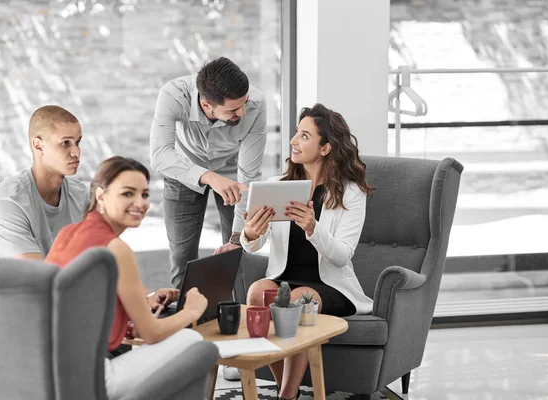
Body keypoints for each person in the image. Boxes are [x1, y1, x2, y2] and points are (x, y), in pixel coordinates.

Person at [241, 104, 375, 400]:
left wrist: (314, 229)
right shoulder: (279, 186)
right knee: (256, 293)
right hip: (285, 278)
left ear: (325, 147)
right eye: (295, 134)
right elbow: (257, 243)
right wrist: (250, 233)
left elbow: (342, 255)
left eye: (304, 136)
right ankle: (286, 388)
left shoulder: (351, 193)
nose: (293, 142)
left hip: (331, 286)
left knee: (299, 299)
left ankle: (286, 396)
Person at [46, 156, 208, 400]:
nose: (139, 203)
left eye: (144, 194)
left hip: (49, 375)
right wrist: (192, 311)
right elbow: (151, 333)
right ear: (101, 196)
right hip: (88, 381)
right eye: (127, 194)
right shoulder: (116, 248)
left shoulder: (68, 233)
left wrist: (128, 321)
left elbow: (77, 306)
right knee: (193, 340)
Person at [150, 56, 268, 289]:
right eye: (234, 109)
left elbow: (249, 176)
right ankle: (183, 318)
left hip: (233, 171)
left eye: (243, 104)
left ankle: (231, 314)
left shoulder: (256, 103)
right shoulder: (173, 94)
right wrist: (209, 177)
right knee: (182, 257)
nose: (243, 113)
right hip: (182, 169)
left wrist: (237, 238)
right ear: (206, 105)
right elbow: (160, 155)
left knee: (236, 254)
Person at [0, 105, 88, 260]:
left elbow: (103, 253)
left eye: (77, 142)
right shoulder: (8, 203)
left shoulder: (80, 194)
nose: (76, 152)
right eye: (65, 143)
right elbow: (34, 276)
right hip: (6, 283)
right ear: (38, 146)